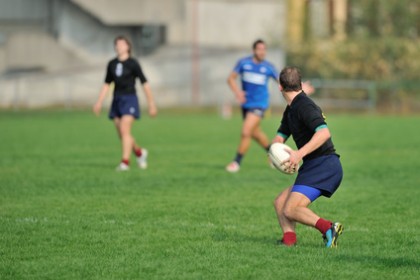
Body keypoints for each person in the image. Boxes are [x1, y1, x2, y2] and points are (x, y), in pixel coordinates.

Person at [272, 66, 343, 248]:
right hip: (314, 165)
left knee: (291, 208)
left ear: (280, 86)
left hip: (325, 165)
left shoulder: (304, 105)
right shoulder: (291, 110)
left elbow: (324, 133)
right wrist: (274, 153)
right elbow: (280, 136)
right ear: (300, 84)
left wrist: (298, 153)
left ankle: (329, 228)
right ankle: (289, 242)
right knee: (280, 202)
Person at [93, 35, 157, 171]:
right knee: (122, 134)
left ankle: (125, 162)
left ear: (128, 47)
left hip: (130, 99)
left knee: (124, 129)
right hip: (117, 100)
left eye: (122, 44)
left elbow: (145, 83)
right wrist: (99, 102)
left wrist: (151, 104)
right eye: (117, 44)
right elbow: (106, 84)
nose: (119, 46)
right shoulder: (112, 64)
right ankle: (139, 153)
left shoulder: (133, 63)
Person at [225, 39, 278, 173]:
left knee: (246, 132)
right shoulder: (244, 63)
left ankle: (236, 162)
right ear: (254, 50)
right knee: (255, 133)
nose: (262, 52)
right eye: (260, 49)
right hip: (246, 105)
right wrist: (238, 92)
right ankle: (274, 154)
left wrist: (297, 89)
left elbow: (281, 81)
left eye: (264, 49)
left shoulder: (268, 67)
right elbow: (230, 78)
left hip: (260, 104)